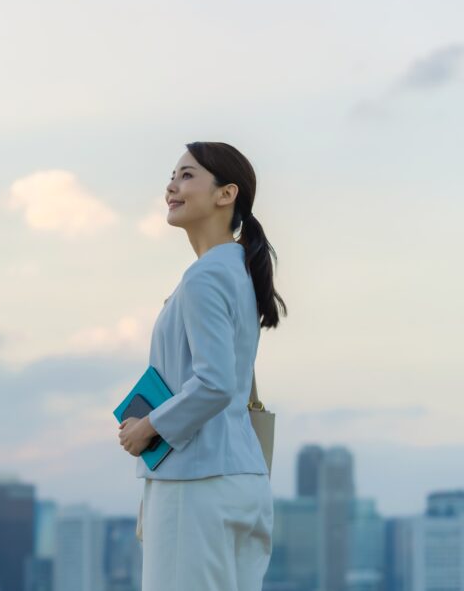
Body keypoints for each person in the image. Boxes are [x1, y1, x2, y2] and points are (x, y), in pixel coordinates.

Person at [117, 141, 287, 591]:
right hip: (237, 479)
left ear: (225, 194)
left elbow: (215, 384)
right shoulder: (236, 272)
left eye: (187, 175)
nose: (172, 186)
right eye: (172, 176)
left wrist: (147, 426)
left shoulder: (206, 276)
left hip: (196, 480)